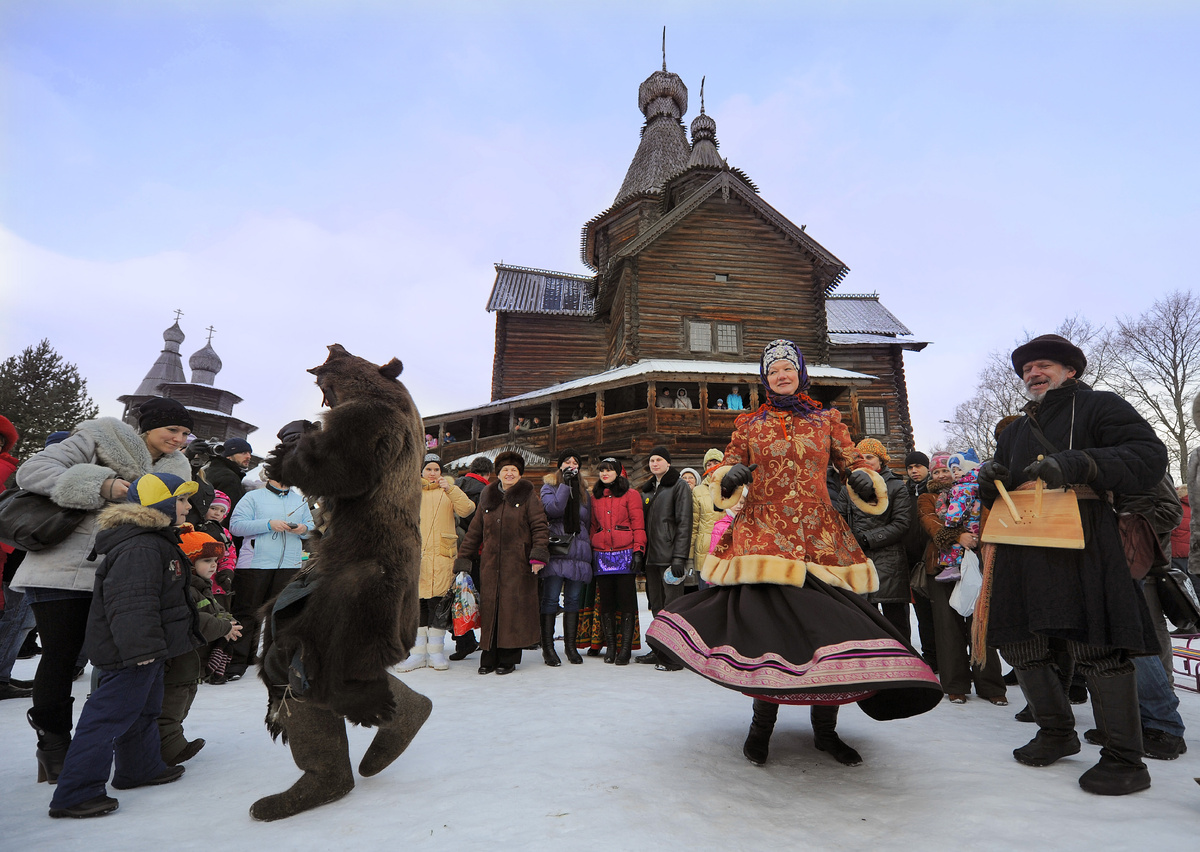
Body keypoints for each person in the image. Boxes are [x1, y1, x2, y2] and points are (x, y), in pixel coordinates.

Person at [646, 339, 941, 768]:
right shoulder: (749, 423)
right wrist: (731, 476)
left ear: (801, 373)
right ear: (765, 380)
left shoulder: (826, 419)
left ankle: (826, 731)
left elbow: (850, 459)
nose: (780, 374)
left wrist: (861, 480)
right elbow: (720, 469)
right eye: (772, 370)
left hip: (821, 535)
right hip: (764, 533)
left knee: (831, 634)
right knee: (773, 633)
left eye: (788, 368)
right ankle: (761, 726)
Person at [976, 333, 1167, 796]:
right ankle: (1056, 732)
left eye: (1042, 366)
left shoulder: (1100, 406)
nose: (1032, 374)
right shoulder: (1017, 430)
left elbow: (1149, 455)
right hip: (1022, 542)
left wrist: (1082, 462)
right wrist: (989, 479)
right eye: (1026, 370)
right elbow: (997, 493)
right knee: (1019, 641)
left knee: (1095, 645)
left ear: (1070, 371)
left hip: (1082, 536)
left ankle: (1125, 757)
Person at [11, 397, 193, 786]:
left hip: (127, 570)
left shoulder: (177, 465)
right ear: (147, 427)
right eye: (171, 430)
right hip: (65, 567)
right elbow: (32, 471)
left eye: (184, 432)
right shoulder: (98, 437)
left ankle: (125, 753)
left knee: (125, 661)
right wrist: (103, 485)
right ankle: (55, 744)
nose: (178, 439)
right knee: (63, 656)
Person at [47, 473, 201, 818]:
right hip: (131, 651)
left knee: (144, 710)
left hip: (146, 649)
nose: (188, 506)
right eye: (181, 499)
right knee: (107, 718)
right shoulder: (141, 547)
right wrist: (141, 651)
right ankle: (76, 792)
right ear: (158, 502)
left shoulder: (154, 540)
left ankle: (139, 768)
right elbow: (132, 603)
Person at [917, 454, 1007, 705]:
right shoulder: (928, 498)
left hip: (978, 564)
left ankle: (991, 685)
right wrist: (958, 536)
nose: (942, 475)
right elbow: (930, 522)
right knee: (948, 628)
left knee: (980, 623)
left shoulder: (977, 491)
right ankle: (955, 685)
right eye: (936, 472)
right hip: (941, 567)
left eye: (947, 470)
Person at [457, 451, 548, 675]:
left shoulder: (528, 495)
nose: (509, 473)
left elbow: (539, 526)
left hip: (518, 564)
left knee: (512, 610)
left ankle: (508, 658)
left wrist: (538, 555)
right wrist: (463, 558)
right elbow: (474, 530)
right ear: (498, 474)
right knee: (490, 609)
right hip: (490, 563)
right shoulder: (488, 495)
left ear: (519, 475)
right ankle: (488, 656)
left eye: (513, 471)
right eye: (505, 470)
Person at [225, 458, 314, 682]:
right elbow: (236, 525)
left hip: (288, 564)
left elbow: (311, 529)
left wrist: (303, 529)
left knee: (282, 615)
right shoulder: (253, 496)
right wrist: (268, 524)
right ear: (271, 475)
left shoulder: (299, 500)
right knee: (246, 612)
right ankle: (236, 661)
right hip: (255, 564)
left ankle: (274, 663)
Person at [159, 530, 242, 765]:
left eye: (216, 561)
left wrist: (228, 620)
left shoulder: (202, 586)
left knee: (184, 702)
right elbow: (197, 621)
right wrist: (224, 626)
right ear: (189, 562)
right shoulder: (184, 589)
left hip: (194, 663)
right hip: (181, 662)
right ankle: (168, 750)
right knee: (170, 708)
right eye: (207, 561)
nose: (214, 566)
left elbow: (214, 611)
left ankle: (174, 742)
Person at [396, 454, 473, 672]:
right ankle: (418, 654)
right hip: (417, 556)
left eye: (436, 470)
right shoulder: (412, 492)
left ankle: (436, 652)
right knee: (418, 604)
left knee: (439, 604)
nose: (432, 473)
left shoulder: (449, 491)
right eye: (428, 469)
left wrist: (451, 489)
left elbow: (467, 509)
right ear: (421, 472)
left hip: (442, 556)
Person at [845, 439, 913, 642]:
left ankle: (904, 666)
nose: (865, 461)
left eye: (870, 457)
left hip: (890, 562)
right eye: (860, 458)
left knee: (896, 623)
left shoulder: (896, 486)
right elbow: (840, 518)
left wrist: (868, 538)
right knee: (865, 623)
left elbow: (901, 523)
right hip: (858, 560)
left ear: (881, 460)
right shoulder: (848, 487)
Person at [635, 446, 692, 670]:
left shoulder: (679, 486)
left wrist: (679, 558)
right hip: (651, 559)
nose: (654, 463)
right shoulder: (648, 490)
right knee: (656, 605)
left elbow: (684, 523)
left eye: (659, 459)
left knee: (672, 607)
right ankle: (659, 648)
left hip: (669, 559)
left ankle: (674, 656)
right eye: (651, 460)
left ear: (668, 463)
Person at [588, 457, 645, 664]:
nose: (604, 474)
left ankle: (625, 649)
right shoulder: (594, 497)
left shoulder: (631, 495)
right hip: (601, 554)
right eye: (602, 470)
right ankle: (611, 647)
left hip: (625, 553)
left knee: (627, 602)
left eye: (609, 470)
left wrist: (638, 550)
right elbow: (593, 526)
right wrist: (591, 547)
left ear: (618, 472)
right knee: (607, 603)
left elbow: (638, 525)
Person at [539, 449, 593, 666]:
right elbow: (553, 510)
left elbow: (587, 522)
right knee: (551, 599)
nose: (571, 464)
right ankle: (548, 648)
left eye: (575, 462)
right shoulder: (549, 487)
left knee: (573, 600)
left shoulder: (584, 492)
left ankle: (570, 647)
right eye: (567, 461)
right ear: (560, 465)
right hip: (557, 550)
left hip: (579, 550)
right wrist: (565, 486)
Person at [449, 457, 492, 661]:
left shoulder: (455, 487)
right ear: (488, 473)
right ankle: (487, 641)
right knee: (482, 595)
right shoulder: (486, 491)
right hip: (478, 550)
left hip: (454, 548)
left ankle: (464, 641)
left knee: (459, 597)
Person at [902, 450, 938, 672]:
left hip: (935, 559)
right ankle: (931, 658)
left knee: (942, 614)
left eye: (918, 466)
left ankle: (951, 658)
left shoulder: (935, 491)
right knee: (923, 615)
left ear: (927, 468)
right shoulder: (904, 493)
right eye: (909, 467)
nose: (914, 471)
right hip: (912, 562)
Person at [689, 449, 726, 593]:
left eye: (715, 463)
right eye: (708, 464)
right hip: (703, 551)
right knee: (705, 595)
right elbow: (694, 525)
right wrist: (690, 557)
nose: (712, 467)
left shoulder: (732, 487)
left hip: (725, 549)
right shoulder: (698, 491)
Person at [202, 437, 252, 514]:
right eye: (243, 453)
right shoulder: (229, 478)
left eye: (249, 453)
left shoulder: (212, 469)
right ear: (229, 455)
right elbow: (228, 513)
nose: (249, 456)